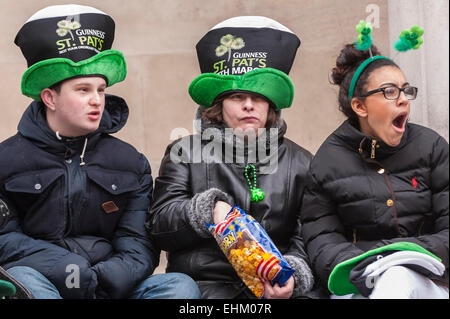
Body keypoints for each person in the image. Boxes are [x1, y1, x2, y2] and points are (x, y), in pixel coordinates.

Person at [0, 4, 200, 299]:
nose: (97, 100)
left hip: (108, 286)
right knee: (21, 279)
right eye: (83, 90)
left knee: (178, 286)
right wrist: (68, 269)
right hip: (43, 282)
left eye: (101, 89)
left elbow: (138, 241)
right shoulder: (7, 160)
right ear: (50, 97)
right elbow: (5, 240)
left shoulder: (131, 162)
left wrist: (107, 277)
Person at [148, 16, 320, 299]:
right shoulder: (185, 152)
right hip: (205, 287)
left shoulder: (302, 161)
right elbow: (159, 227)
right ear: (219, 105)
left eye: (259, 96)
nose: (249, 105)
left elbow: (311, 234)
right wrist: (207, 211)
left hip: (279, 288)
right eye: (238, 96)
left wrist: (293, 273)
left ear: (272, 105)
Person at [300, 40, 449, 298]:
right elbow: (322, 238)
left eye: (406, 90)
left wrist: (395, 254)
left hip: (432, 281)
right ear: (360, 106)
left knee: (397, 278)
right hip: (358, 281)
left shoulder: (431, 147)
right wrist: (363, 266)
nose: (403, 100)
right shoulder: (327, 161)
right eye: (390, 91)